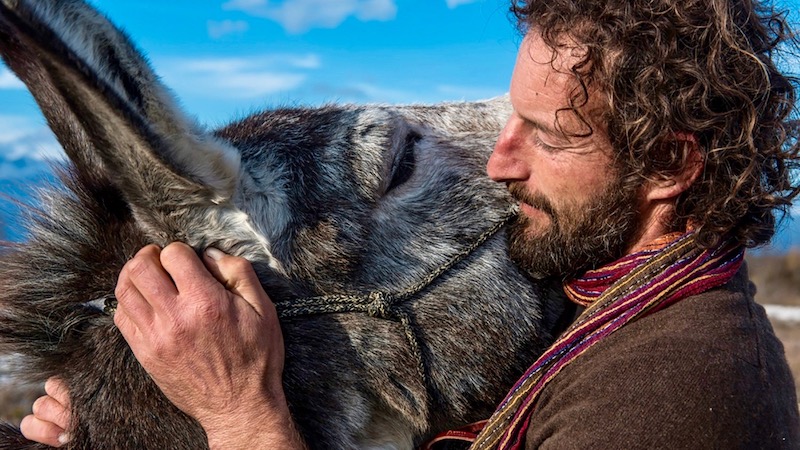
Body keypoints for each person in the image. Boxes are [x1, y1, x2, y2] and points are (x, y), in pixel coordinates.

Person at [19, 0, 800, 448]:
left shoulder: (676, 391)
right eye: (510, 118)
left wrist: (240, 415)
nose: (498, 163)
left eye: (551, 137)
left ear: (668, 166)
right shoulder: (598, 296)